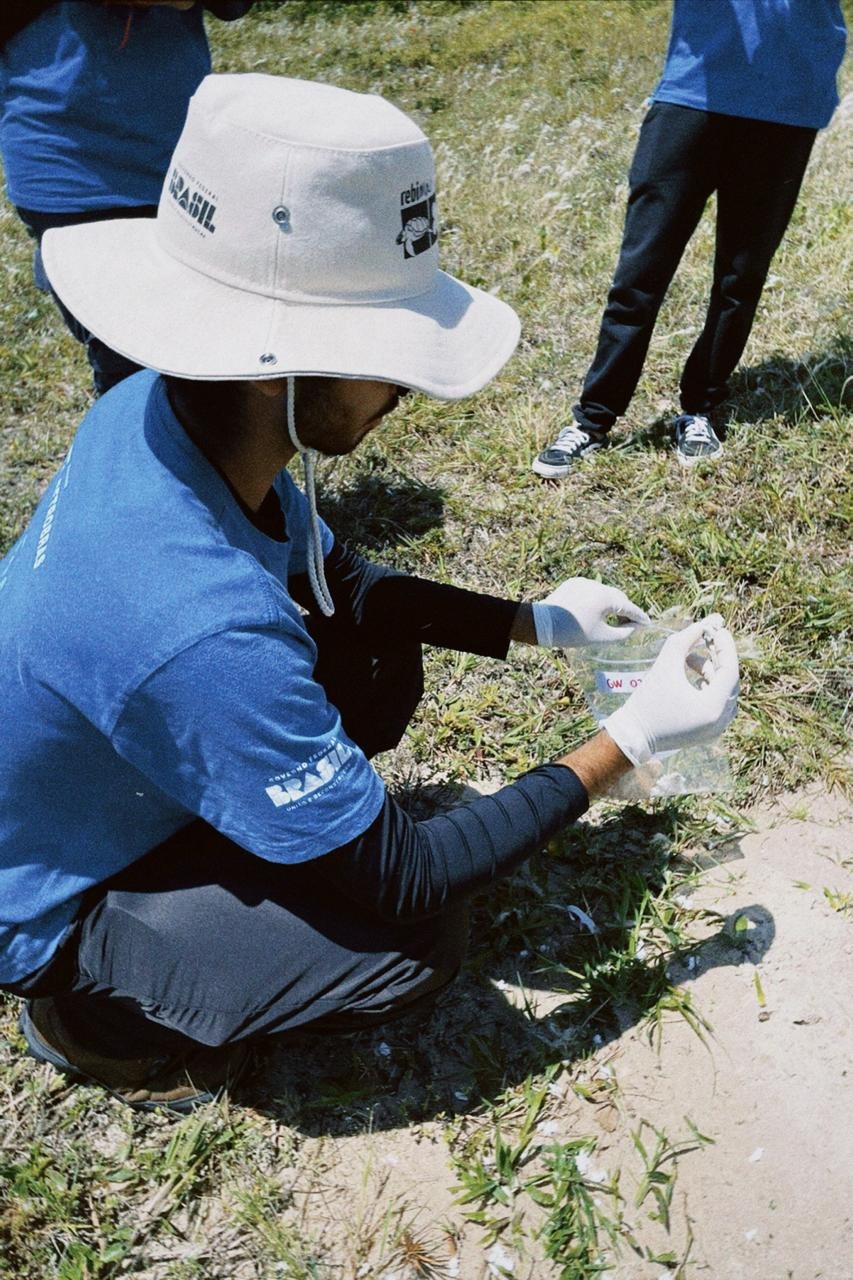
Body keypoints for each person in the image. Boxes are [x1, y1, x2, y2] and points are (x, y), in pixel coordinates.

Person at [0, 74, 739, 1113]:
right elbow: (405, 878)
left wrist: (534, 621)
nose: (400, 388)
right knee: (409, 945)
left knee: (371, 664)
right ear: (270, 363)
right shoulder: (191, 620)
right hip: (50, 894)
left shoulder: (157, 416)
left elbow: (336, 579)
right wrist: (633, 738)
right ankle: (92, 1017)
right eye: (384, 354)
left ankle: (226, 842)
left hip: (111, 765)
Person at [532, 0, 847, 477]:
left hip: (788, 102)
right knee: (641, 270)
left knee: (741, 276)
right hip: (694, 94)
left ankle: (699, 409)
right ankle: (593, 419)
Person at [0, 0, 253, 395]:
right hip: (68, 164)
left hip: (180, 155)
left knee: (204, 357)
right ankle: (127, 454)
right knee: (129, 368)